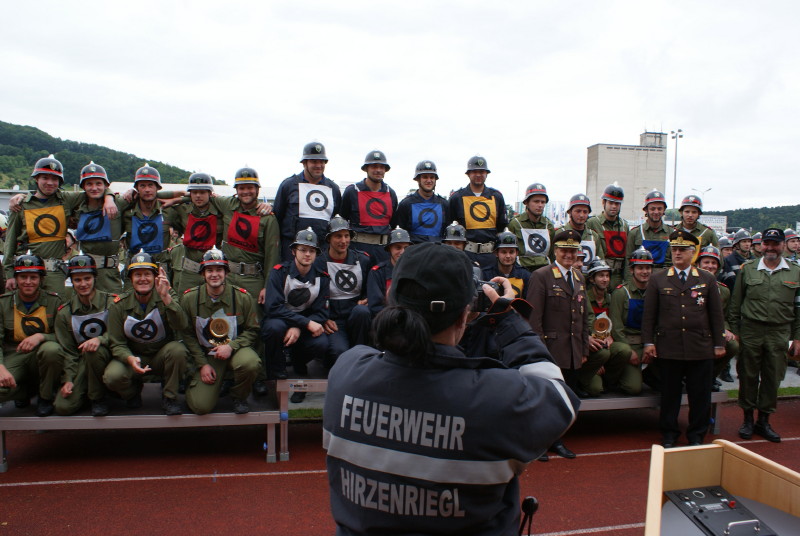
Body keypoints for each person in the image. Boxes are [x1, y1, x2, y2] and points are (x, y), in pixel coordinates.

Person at [323, 242, 580, 535]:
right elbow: (560, 398)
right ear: (464, 315)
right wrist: (507, 318)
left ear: (392, 301)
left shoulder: (346, 372)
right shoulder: (494, 398)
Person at [642, 230, 725, 447]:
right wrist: (648, 342)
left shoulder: (707, 279)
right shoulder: (658, 279)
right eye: (674, 250)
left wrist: (719, 343)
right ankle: (669, 433)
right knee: (670, 394)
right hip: (669, 346)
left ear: (692, 252)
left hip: (700, 346)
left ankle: (697, 434)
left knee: (700, 395)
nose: (677, 253)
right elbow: (649, 315)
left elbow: (716, 315)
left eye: (682, 250)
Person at [3, 155, 117, 294]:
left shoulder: (66, 199)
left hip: (54, 273)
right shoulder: (21, 205)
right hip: (26, 271)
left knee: (55, 306)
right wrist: (9, 274)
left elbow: (95, 190)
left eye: (54, 179)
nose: (50, 183)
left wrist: (109, 197)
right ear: (36, 179)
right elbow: (10, 241)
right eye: (45, 178)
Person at [527, 229, 594, 459]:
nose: (568, 255)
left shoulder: (579, 277)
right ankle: (538, 443)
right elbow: (534, 318)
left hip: (572, 350)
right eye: (564, 250)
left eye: (573, 251)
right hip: (550, 350)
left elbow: (582, 317)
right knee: (544, 399)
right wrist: (539, 352)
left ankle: (557, 440)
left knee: (564, 399)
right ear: (555, 251)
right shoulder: (541, 276)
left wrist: (583, 349)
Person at [729, 228, 800, 443]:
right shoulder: (748, 269)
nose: (770, 248)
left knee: (772, 377)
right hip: (751, 330)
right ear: (760, 245)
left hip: (779, 331)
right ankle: (747, 419)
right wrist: (736, 331)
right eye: (767, 243)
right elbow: (735, 304)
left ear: (782, 245)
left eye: (775, 244)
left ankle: (764, 420)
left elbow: (799, 309)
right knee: (748, 375)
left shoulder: (795, 272)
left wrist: (797, 337)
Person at [105, 250, 189, 415]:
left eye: (147, 274)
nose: (142, 279)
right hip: (134, 356)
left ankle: (169, 396)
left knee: (178, 350)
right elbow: (117, 343)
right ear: (131, 279)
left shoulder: (166, 295)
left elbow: (182, 324)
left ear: (155, 277)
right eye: (137, 274)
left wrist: (166, 298)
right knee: (112, 376)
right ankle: (132, 393)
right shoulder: (119, 305)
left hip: (160, 355)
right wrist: (129, 358)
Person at [181, 248, 260, 415]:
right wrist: (202, 364)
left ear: (226, 273)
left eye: (219, 270)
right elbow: (186, 335)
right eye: (209, 270)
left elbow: (253, 330)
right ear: (202, 274)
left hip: (235, 351)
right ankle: (200, 383)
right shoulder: (189, 299)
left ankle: (239, 396)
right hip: (207, 356)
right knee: (200, 406)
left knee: (250, 362)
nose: (214, 274)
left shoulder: (242, 298)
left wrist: (231, 346)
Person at [261, 228, 330, 381]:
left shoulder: (323, 278)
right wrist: (304, 323)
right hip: (281, 319)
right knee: (274, 328)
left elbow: (322, 312)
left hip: (305, 324)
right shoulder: (279, 273)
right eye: (303, 250)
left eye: (312, 251)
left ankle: (299, 361)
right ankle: (275, 369)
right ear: (293, 251)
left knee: (322, 343)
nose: (307, 254)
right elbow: (273, 308)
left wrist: (300, 326)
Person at [53, 254, 118, 416]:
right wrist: (68, 379)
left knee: (98, 356)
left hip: (112, 356)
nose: (83, 284)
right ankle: (87, 391)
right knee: (63, 407)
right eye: (77, 280)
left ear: (95, 278)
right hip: (82, 362)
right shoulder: (65, 312)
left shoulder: (111, 303)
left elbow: (120, 333)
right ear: (71, 282)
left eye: (87, 278)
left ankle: (100, 397)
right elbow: (68, 351)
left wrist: (100, 339)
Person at [0, 253, 62, 416]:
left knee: (52, 350)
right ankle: (25, 392)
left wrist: (42, 337)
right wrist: (0, 368)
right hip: (14, 354)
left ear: (41, 279)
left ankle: (45, 396)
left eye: (33, 277)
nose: (28, 282)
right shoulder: (3, 303)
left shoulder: (54, 302)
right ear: (16, 279)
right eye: (23, 277)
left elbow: (65, 337)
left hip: (42, 355)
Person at [314, 216, 372, 377]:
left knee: (363, 312)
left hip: (355, 317)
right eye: (338, 236)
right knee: (339, 353)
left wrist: (367, 299)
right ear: (329, 239)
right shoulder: (318, 262)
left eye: (346, 236)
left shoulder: (363, 259)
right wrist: (322, 318)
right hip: (333, 320)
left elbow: (370, 289)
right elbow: (313, 296)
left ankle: (361, 357)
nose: (343, 241)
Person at [273, 142, 342, 260]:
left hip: (321, 251)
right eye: (314, 161)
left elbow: (336, 220)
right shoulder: (288, 185)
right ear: (304, 163)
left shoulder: (334, 189)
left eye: (321, 162)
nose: (318, 165)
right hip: (292, 251)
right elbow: (277, 217)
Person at [607, 248, 654, 395]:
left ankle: (648, 375)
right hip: (629, 346)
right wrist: (630, 352)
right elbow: (616, 328)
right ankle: (614, 379)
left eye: (648, 268)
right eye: (640, 268)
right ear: (632, 270)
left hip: (648, 346)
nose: (644, 272)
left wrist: (651, 346)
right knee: (633, 388)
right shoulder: (621, 293)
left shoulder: (655, 292)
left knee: (665, 382)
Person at [448, 156, 507, 268]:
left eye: (482, 172)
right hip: (465, 255)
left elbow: (501, 226)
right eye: (475, 172)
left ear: (486, 174)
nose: (478, 175)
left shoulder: (496, 197)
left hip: (490, 256)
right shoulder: (457, 198)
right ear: (468, 174)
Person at [340, 150, 398, 263]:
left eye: (381, 167)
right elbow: (343, 219)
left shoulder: (391, 193)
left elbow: (393, 223)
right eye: (374, 166)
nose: (378, 170)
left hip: (383, 251)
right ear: (366, 168)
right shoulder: (352, 191)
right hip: (357, 249)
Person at [696, 245, 739, 388]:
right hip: (692, 330)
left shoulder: (723, 290)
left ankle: (709, 377)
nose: (710, 266)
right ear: (698, 264)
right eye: (706, 262)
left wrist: (726, 329)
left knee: (732, 345)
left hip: (713, 330)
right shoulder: (688, 285)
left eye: (713, 263)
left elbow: (724, 316)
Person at [392, 160, 449, 244]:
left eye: (432, 177)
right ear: (418, 179)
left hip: (438, 249)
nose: (429, 180)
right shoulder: (406, 204)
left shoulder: (444, 204)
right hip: (415, 249)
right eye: (425, 177)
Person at [586, 183, 629, 286]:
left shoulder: (624, 225)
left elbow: (627, 255)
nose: (614, 206)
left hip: (618, 276)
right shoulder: (592, 223)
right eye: (610, 202)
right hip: (598, 275)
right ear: (603, 202)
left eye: (617, 203)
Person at [508, 182, 555, 273]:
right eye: (536, 201)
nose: (540, 205)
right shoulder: (515, 224)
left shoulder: (548, 225)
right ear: (526, 203)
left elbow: (552, 253)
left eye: (543, 202)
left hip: (544, 270)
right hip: (521, 270)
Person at [583, 259, 613, 397]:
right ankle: (582, 380)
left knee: (623, 351)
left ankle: (611, 381)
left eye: (607, 276)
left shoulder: (612, 297)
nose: (605, 279)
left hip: (607, 341)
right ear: (592, 279)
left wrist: (610, 336)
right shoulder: (584, 297)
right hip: (590, 344)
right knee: (595, 389)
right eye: (601, 276)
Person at [366, 227, 411, 318]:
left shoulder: (415, 271)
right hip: (386, 319)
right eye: (398, 248)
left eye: (406, 248)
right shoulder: (377, 273)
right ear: (389, 249)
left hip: (410, 319)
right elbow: (376, 306)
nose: (402, 252)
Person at [626, 189, 673, 276]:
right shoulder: (635, 233)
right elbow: (628, 262)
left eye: (659, 209)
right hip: (641, 278)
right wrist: (630, 283)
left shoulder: (672, 233)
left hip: (665, 278)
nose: (656, 212)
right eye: (652, 209)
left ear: (664, 210)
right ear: (646, 210)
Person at [556, 194, 604, 267]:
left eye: (585, 212)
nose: (581, 215)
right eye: (578, 211)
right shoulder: (560, 233)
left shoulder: (594, 236)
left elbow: (600, 261)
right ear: (570, 212)